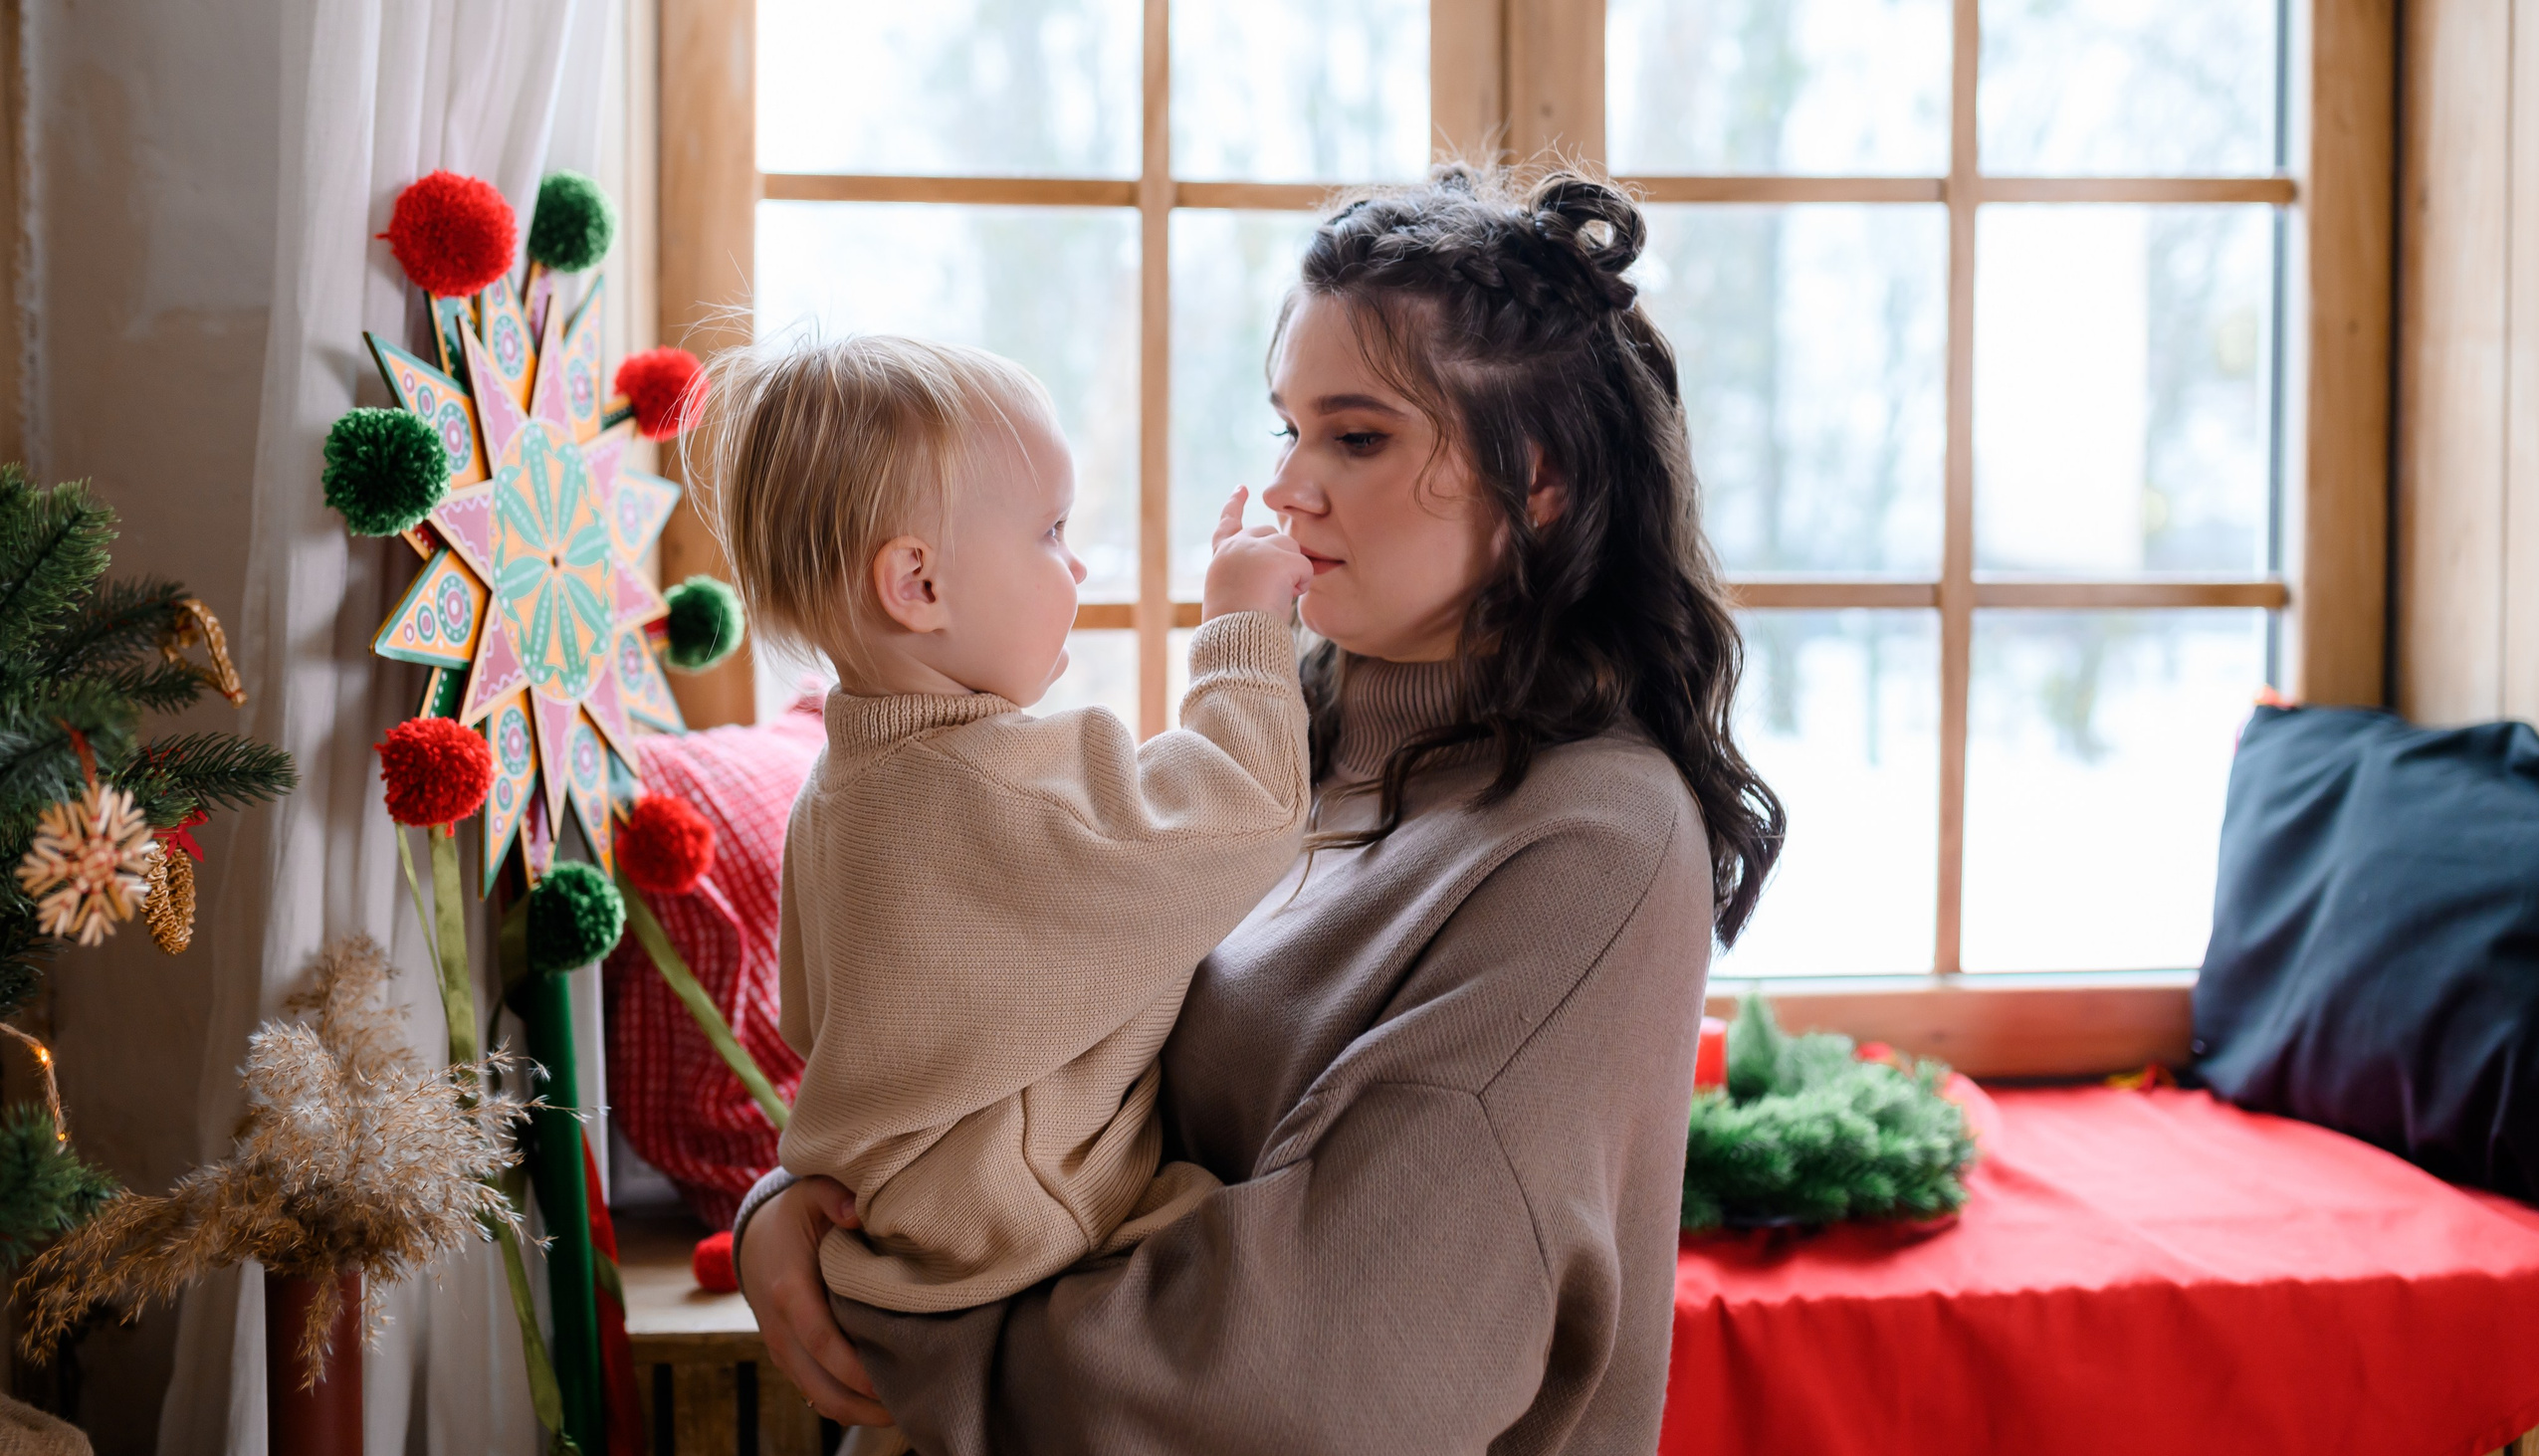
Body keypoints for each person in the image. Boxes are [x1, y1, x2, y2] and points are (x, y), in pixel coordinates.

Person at [734, 165, 1786, 1454]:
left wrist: (912, 1331)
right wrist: (801, 1205)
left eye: (1357, 435)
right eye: (1287, 428)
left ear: (1543, 475)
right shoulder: (1303, 737)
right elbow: (995, 1015)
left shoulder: (1590, 844)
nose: (1289, 487)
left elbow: (1294, 1383)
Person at [688, 333, 1319, 1338]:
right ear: (919, 585)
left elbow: (809, 1014)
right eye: (1051, 531)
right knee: (1286, 1268)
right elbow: (1245, 811)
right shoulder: (989, 788)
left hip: (906, 1239)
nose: (1074, 563)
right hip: (1032, 1246)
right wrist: (1241, 624)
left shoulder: (839, 784)